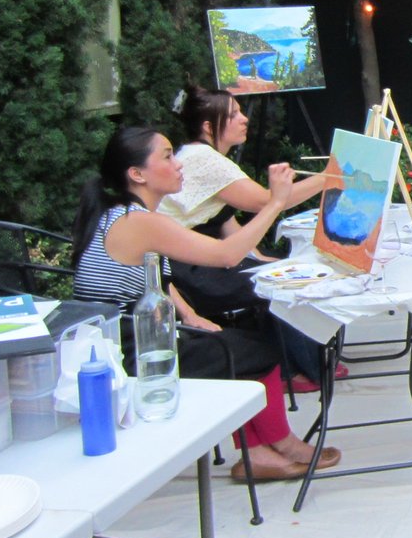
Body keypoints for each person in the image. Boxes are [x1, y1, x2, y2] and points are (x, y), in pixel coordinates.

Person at [72, 125, 339, 481]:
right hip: (130, 353)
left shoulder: (122, 214)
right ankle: (280, 446)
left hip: (122, 339)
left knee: (242, 342)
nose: (179, 164)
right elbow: (227, 255)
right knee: (260, 350)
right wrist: (276, 202)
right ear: (137, 174)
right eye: (167, 157)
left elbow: (152, 280)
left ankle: (260, 453)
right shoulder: (138, 221)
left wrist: (190, 314)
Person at [159, 86, 332, 388]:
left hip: (193, 262)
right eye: (233, 115)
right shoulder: (204, 159)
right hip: (183, 272)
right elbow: (268, 201)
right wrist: (329, 177)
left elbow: (224, 221)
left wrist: (261, 258)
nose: (244, 119)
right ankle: (295, 370)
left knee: (279, 270)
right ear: (208, 127)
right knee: (280, 282)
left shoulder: (205, 156)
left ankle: (295, 365)